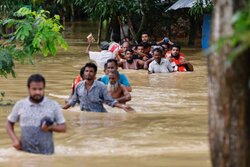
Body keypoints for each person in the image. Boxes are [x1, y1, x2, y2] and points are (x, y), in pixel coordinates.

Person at [6, 74, 66, 155]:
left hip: (46, 154)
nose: (37, 92)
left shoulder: (53, 105)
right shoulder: (20, 105)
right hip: (25, 153)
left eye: (40, 89)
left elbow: (63, 127)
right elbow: (9, 123)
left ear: (44, 89)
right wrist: (15, 140)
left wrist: (50, 127)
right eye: (34, 89)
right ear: (28, 89)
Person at [63, 63, 133, 112]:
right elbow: (73, 101)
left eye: (91, 71)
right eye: (86, 71)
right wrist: (61, 108)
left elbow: (110, 101)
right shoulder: (79, 86)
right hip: (84, 115)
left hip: (99, 115)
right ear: (84, 73)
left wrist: (123, 106)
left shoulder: (101, 86)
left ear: (95, 73)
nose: (88, 73)